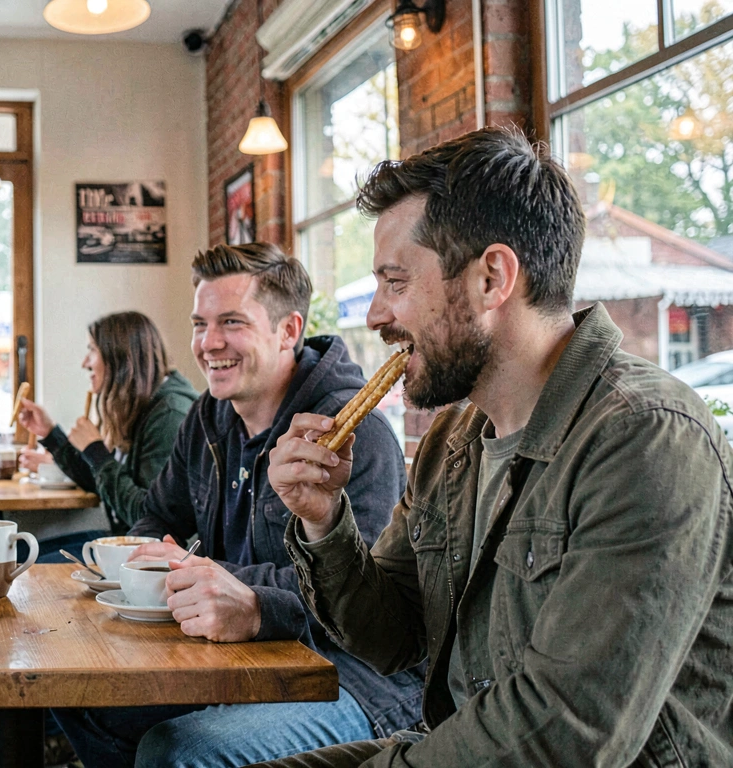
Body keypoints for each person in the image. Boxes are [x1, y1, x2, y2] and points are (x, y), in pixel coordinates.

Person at [261, 127, 733, 767]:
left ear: (491, 278)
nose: (374, 315)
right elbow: (392, 637)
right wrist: (323, 521)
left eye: (396, 282)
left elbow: (565, 730)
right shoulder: (454, 440)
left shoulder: (646, 438)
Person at [53, 243, 424, 768]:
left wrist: (233, 589)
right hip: (233, 657)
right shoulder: (208, 415)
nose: (209, 343)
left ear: (288, 330)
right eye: (199, 324)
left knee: (176, 751)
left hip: (353, 677)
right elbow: (157, 515)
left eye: (231, 322)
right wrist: (151, 562)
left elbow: (366, 604)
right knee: (80, 693)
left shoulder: (350, 433)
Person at [15, 311, 198, 544]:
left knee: (28, 559)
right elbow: (100, 481)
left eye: (92, 350)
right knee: (24, 551)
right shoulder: (140, 404)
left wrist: (96, 452)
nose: (85, 363)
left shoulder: (169, 416)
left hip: (148, 554)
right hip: (126, 542)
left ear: (119, 358)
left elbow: (150, 520)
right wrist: (50, 434)